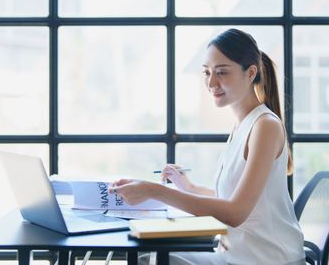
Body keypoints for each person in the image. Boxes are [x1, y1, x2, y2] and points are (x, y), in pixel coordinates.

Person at [109, 28, 306, 265]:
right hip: (237, 256)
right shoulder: (242, 125)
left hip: (267, 260)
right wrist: (189, 187)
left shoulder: (265, 126)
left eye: (221, 72)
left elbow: (235, 212)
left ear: (251, 72)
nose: (211, 82)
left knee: (153, 260)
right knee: (148, 258)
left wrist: (155, 191)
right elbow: (233, 197)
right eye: (207, 72)